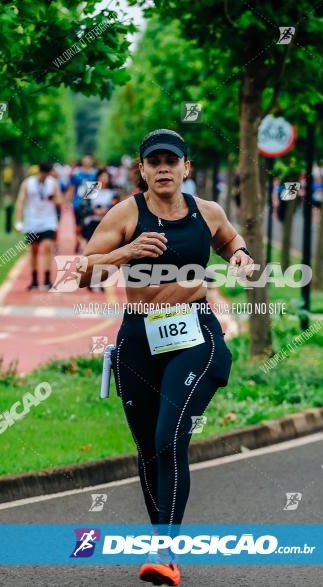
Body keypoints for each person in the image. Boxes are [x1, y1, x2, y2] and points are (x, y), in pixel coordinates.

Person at [75, 129, 249, 586]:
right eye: (155, 162)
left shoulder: (206, 212)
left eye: (173, 161)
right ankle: (163, 550)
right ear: (143, 170)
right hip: (139, 337)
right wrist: (127, 250)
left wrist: (242, 256)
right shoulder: (125, 213)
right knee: (149, 449)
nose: (164, 168)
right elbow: (82, 272)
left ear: (186, 168)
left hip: (194, 334)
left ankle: (165, 552)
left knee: (169, 438)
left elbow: (230, 239)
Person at [14, 162, 62, 290]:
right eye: (43, 174)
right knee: (34, 251)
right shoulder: (27, 183)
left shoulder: (53, 183)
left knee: (47, 248)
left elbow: (60, 201)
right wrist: (18, 221)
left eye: (48, 174)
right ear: (39, 172)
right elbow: (20, 201)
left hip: (48, 221)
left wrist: (53, 199)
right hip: (32, 222)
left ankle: (47, 280)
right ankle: (34, 281)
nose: (45, 177)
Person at [80, 168, 119, 292]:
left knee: (104, 254)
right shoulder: (92, 189)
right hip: (91, 223)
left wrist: (106, 211)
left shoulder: (112, 192)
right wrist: (95, 211)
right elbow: (83, 208)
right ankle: (88, 280)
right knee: (90, 254)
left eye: (106, 176)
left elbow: (117, 208)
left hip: (106, 225)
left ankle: (100, 280)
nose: (104, 179)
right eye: (101, 176)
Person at [69, 154, 99, 254]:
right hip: (78, 203)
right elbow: (73, 187)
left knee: (89, 224)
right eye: (85, 159)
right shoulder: (77, 173)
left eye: (88, 160)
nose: (86, 161)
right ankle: (77, 240)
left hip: (90, 204)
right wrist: (68, 199)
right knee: (78, 225)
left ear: (91, 161)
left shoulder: (95, 174)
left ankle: (89, 244)